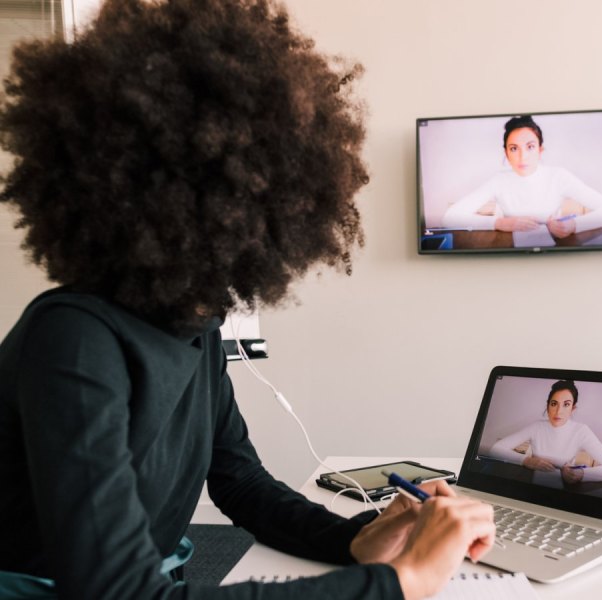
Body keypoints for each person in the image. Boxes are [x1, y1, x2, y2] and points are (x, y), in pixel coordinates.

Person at [0, 1, 495, 599]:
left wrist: (354, 539)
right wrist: (402, 583)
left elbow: (239, 481)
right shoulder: (76, 339)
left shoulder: (196, 323)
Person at [441, 115, 602, 238]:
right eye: (514, 149)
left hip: (554, 254)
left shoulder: (558, 176)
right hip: (510, 254)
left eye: (530, 147)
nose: (522, 157)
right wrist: (499, 223)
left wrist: (573, 226)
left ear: (540, 150)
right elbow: (450, 218)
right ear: (506, 152)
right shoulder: (499, 181)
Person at [488, 380, 602, 484]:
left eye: (566, 404)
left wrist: (582, 474)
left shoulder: (581, 431)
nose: (558, 412)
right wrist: (527, 460)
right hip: (532, 485)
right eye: (554, 404)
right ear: (548, 406)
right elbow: (495, 449)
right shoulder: (537, 427)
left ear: (573, 408)